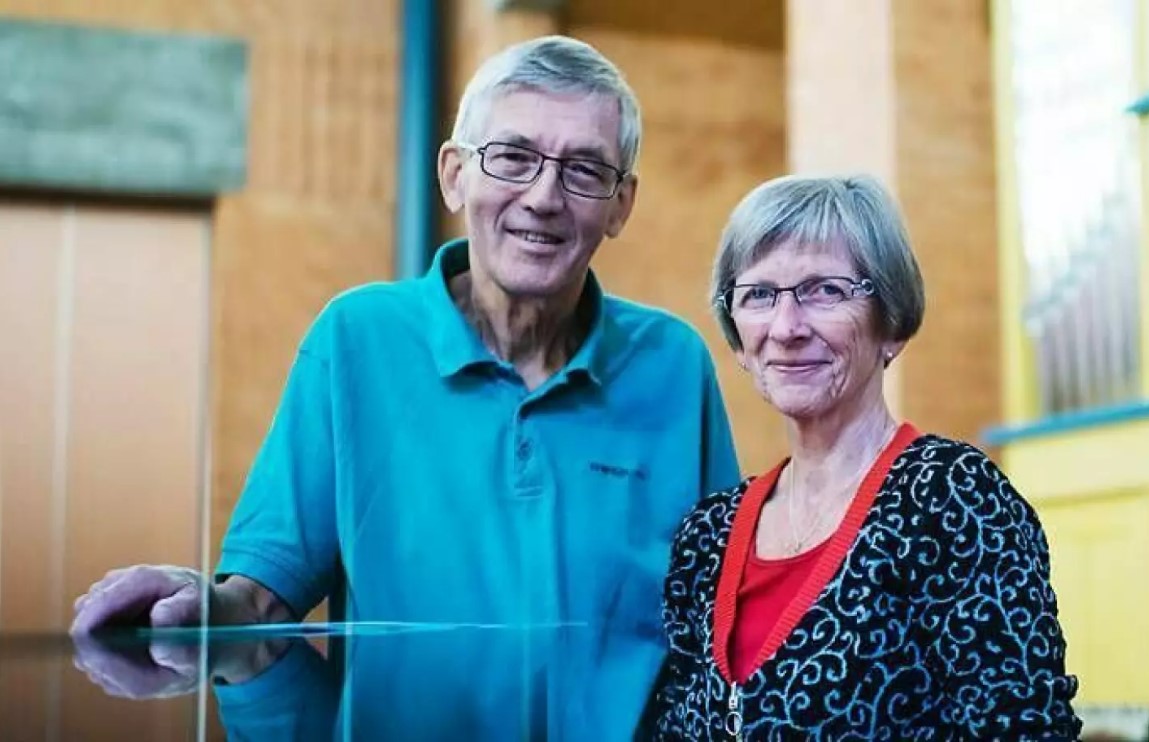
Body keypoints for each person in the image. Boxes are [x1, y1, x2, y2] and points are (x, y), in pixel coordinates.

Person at [69, 35, 740, 734]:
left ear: (621, 204)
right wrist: (201, 606)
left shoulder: (673, 365)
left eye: (584, 170)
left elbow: (720, 620)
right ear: (455, 175)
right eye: (513, 157)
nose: (544, 197)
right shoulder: (355, 341)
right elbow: (261, 605)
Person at [648, 174, 1081, 739]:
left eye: (824, 291)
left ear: (891, 325)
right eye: (759, 295)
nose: (786, 327)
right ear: (738, 340)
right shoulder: (708, 536)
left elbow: (1024, 729)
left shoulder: (951, 500)